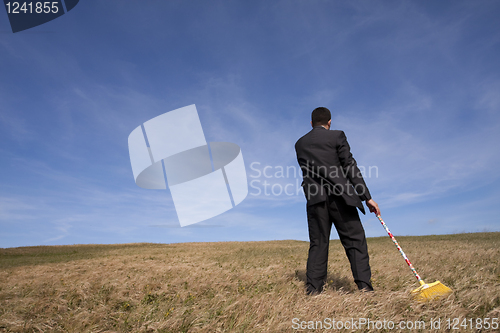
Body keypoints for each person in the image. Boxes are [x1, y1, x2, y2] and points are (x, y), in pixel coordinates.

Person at [295, 107, 380, 295]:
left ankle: (313, 292)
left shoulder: (300, 144)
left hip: (315, 200)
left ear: (311, 123)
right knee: (355, 241)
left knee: (318, 243)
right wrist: (367, 196)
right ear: (329, 122)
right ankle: (365, 289)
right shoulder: (337, 136)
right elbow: (349, 166)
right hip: (341, 197)